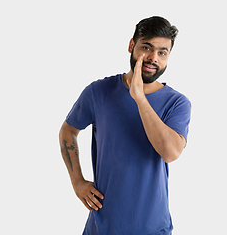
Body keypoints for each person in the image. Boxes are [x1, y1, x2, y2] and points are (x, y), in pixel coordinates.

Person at [59, 16, 191, 235]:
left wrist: (139, 98)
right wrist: (77, 182)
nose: (152, 58)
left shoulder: (177, 103)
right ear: (131, 45)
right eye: (146, 47)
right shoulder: (98, 92)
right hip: (101, 227)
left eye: (162, 52)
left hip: (152, 228)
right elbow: (68, 131)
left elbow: (170, 152)